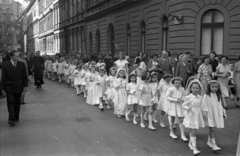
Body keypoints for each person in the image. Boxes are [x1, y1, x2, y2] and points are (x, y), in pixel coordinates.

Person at [1, 50, 28, 126]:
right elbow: (3, 77)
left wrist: (25, 86)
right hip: (9, 86)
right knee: (10, 102)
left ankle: (16, 117)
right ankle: (11, 119)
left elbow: (24, 76)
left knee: (17, 102)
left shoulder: (21, 64)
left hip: (19, 86)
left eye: (18, 56)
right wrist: (3, 88)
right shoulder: (5, 65)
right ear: (12, 57)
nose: (18, 57)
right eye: (16, 56)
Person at [201, 80, 226, 151]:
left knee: (213, 129)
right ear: (209, 87)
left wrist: (223, 112)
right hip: (210, 114)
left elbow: (219, 105)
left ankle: (209, 141)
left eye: (216, 87)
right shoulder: (207, 95)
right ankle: (214, 144)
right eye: (212, 87)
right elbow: (204, 105)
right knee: (212, 129)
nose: (214, 88)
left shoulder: (218, 95)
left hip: (216, 114)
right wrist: (204, 113)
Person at [182, 79, 205, 155]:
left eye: (197, 88)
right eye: (194, 88)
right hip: (191, 115)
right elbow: (183, 105)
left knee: (194, 130)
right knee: (193, 131)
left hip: (197, 115)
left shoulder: (200, 97)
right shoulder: (189, 97)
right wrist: (188, 108)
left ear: (199, 89)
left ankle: (190, 143)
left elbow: (201, 106)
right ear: (191, 88)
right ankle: (195, 148)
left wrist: (204, 114)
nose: (195, 89)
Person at [166, 77, 188, 141]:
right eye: (176, 83)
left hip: (179, 105)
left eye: (179, 83)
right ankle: (171, 132)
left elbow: (184, 96)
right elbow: (167, 97)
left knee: (181, 119)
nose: (177, 84)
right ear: (173, 83)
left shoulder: (182, 89)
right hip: (173, 105)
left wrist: (182, 99)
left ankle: (182, 134)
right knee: (172, 118)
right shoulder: (171, 89)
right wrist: (175, 99)